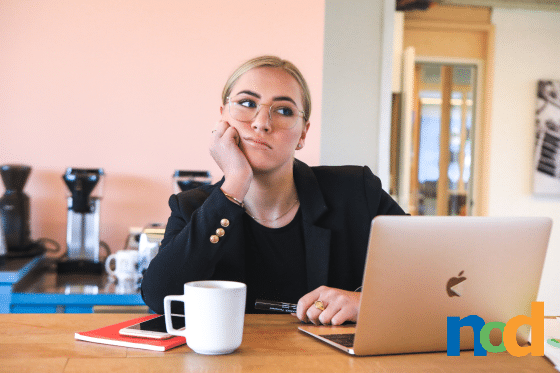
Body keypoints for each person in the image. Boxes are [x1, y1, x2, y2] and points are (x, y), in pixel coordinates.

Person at [141, 55, 406, 326]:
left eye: (283, 110)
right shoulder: (191, 207)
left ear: (303, 134)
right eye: (247, 104)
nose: (261, 122)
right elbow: (159, 297)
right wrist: (235, 183)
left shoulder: (356, 192)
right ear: (222, 118)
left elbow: (436, 274)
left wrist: (367, 303)